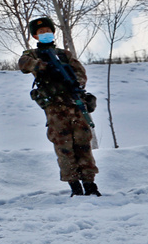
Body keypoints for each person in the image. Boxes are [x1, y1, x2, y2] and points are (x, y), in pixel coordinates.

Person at [18, 17, 100, 197]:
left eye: (48, 31)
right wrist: (43, 67)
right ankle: (75, 187)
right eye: (41, 32)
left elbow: (80, 74)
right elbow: (23, 64)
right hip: (55, 109)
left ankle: (90, 184)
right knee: (64, 148)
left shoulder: (65, 54)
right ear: (35, 36)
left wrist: (74, 84)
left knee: (83, 145)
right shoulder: (33, 54)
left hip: (74, 104)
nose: (45, 34)